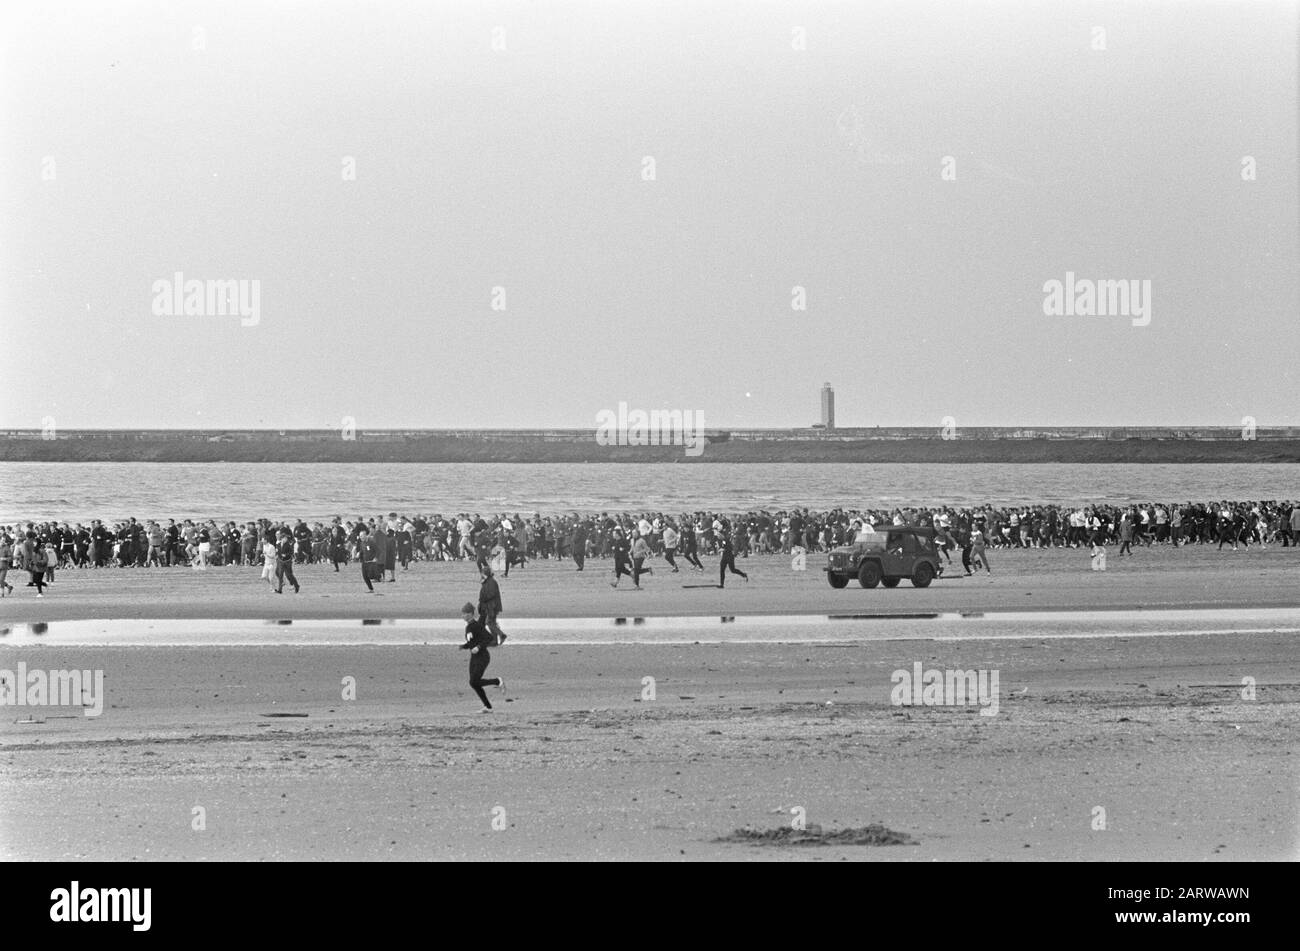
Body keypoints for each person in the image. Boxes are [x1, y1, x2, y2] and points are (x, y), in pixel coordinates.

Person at [460, 602, 505, 712]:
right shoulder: (468, 627)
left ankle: (497, 681)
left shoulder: (476, 626)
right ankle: (488, 707)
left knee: (474, 681)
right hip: (474, 658)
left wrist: (478, 647)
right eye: (462, 614)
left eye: (465, 613)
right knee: (473, 683)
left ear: (470, 614)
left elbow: (489, 638)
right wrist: (464, 646)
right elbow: (472, 641)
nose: (463, 616)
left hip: (483, 657)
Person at [478, 564, 506, 645]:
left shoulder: (491, 582)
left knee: (489, 622)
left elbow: (491, 594)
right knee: (491, 622)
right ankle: (494, 641)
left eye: (483, 573)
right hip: (490, 606)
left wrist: (484, 599)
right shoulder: (488, 581)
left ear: (485, 573)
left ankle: (501, 635)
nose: (481, 575)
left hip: (493, 606)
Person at [274, 529, 300, 594]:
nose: (285, 539)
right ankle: (280, 590)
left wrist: (286, 555)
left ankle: (296, 585)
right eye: (284, 538)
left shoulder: (288, 545)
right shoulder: (278, 544)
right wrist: (277, 555)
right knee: (280, 575)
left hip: (288, 561)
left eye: (286, 538)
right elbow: (277, 552)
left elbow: (291, 552)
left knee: (289, 575)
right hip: (281, 561)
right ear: (281, 538)